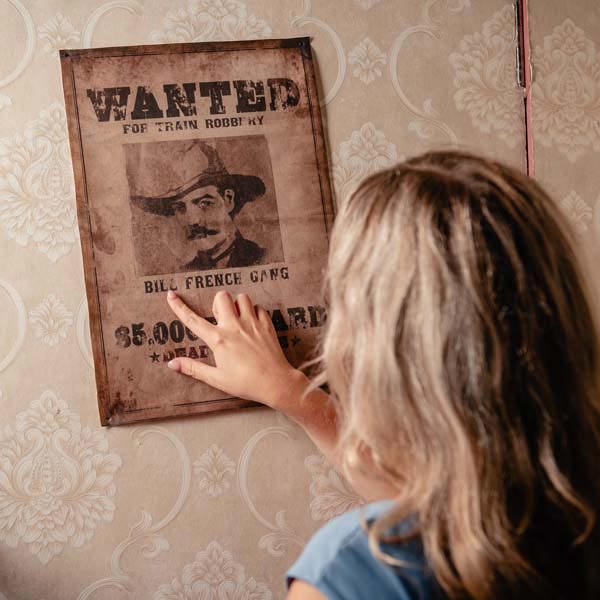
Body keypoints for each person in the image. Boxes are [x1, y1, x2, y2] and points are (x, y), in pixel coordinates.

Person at [164, 150, 600, 599]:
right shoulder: (571, 513)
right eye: (180, 206)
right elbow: (444, 490)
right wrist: (292, 393)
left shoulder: (353, 570)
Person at [132, 141, 267, 270]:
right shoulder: (184, 273)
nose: (193, 221)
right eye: (180, 208)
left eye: (205, 203)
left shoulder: (262, 259)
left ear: (228, 200)